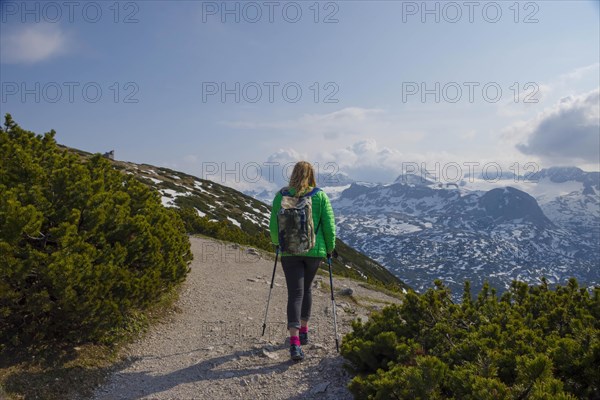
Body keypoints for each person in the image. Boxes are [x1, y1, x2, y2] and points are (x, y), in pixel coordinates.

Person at [269, 161, 336, 361]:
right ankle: (304, 330)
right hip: (313, 252)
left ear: (293, 174)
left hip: (289, 251)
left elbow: (273, 224)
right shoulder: (320, 196)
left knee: (295, 293)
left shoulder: (281, 195)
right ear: (311, 174)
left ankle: (295, 342)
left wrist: (277, 243)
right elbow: (329, 227)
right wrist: (330, 249)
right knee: (306, 290)